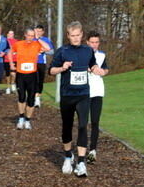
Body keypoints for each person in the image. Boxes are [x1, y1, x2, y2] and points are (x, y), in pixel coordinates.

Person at [49, 21, 102, 177]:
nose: (76, 38)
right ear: (68, 36)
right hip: (67, 95)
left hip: (83, 94)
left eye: (78, 35)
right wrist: (62, 67)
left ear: (82, 34)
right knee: (67, 126)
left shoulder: (88, 50)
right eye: (72, 36)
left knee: (82, 126)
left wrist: (96, 69)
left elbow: (92, 65)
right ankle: (67, 156)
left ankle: (80, 162)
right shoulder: (62, 51)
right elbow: (51, 71)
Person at [10, 28, 52, 130]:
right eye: (28, 35)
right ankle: (21, 118)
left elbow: (48, 49)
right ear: (25, 35)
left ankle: (28, 120)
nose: (30, 38)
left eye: (32, 36)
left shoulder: (37, 44)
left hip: (32, 75)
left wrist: (38, 39)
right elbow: (9, 52)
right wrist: (11, 64)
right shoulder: (18, 44)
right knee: (21, 97)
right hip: (21, 74)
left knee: (31, 99)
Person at [86, 30, 110, 163]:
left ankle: (93, 150)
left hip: (97, 92)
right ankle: (81, 148)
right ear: (87, 42)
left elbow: (106, 68)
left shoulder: (101, 55)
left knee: (95, 121)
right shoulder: (82, 54)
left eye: (96, 42)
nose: (94, 45)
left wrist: (103, 71)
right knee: (83, 123)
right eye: (92, 42)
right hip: (83, 92)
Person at [33, 25, 55, 107]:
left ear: (43, 32)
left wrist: (44, 51)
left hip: (41, 62)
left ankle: (37, 99)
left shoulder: (46, 40)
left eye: (40, 31)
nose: (38, 33)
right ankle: (33, 97)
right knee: (32, 80)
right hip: (32, 63)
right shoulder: (31, 39)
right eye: (37, 31)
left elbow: (51, 51)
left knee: (40, 81)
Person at [3, 30, 17, 94]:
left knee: (13, 74)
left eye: (12, 34)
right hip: (6, 59)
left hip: (15, 59)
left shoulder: (16, 41)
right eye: (10, 34)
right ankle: (8, 87)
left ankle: (13, 83)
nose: (11, 35)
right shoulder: (4, 41)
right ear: (7, 34)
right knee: (8, 74)